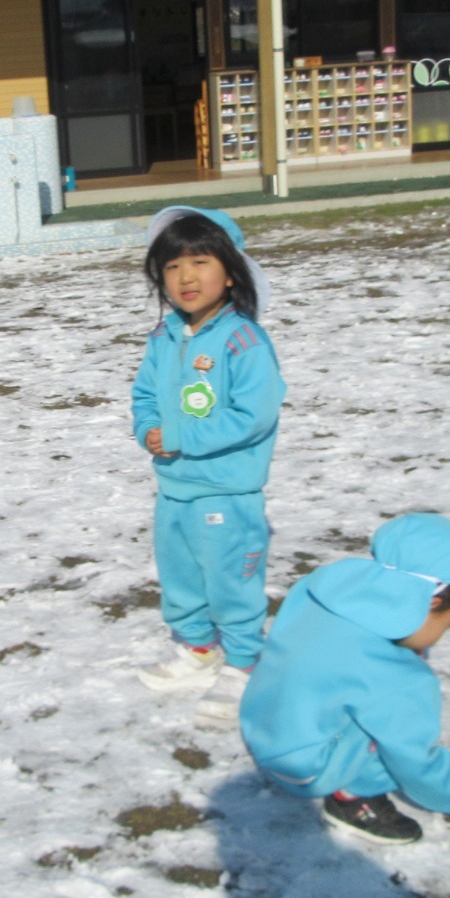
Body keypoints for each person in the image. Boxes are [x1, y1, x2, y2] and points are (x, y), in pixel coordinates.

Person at [240, 514, 450, 845]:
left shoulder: (322, 591)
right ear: (432, 602)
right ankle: (353, 798)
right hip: (304, 770)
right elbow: (417, 764)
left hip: (261, 724)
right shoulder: (397, 676)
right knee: (389, 728)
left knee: (360, 699)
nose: (442, 635)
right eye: (447, 624)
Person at [130, 207, 287, 725]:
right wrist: (147, 429)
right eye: (172, 267)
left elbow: (253, 416)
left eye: (200, 262)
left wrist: (179, 436)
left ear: (231, 272)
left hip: (226, 491)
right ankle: (199, 648)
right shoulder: (164, 337)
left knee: (230, 581)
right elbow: (144, 395)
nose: (186, 277)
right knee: (181, 576)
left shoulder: (244, 341)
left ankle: (245, 661)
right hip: (175, 487)